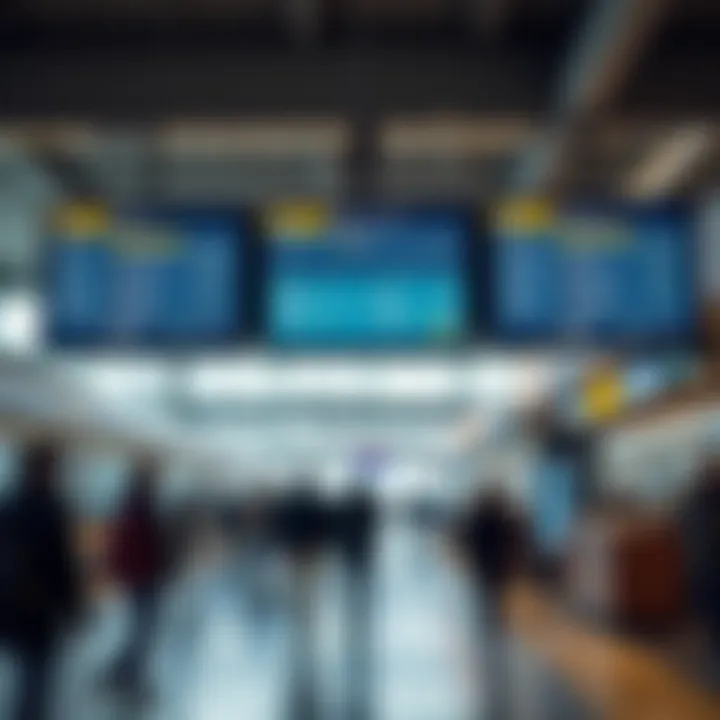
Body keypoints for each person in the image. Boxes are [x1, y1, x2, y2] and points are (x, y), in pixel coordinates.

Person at [0, 442, 82, 720]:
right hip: (40, 609)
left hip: (13, 603)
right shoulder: (51, 510)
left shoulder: (9, 505)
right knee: (37, 676)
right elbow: (61, 565)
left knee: (27, 673)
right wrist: (72, 606)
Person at [455, 486, 518, 717]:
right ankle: (495, 613)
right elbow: (510, 537)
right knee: (495, 590)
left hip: (485, 560)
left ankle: (489, 613)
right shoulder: (501, 517)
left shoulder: (479, 517)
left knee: (487, 589)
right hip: (496, 560)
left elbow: (470, 537)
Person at [105, 462, 166, 699]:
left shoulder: (132, 509)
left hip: (138, 578)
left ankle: (125, 673)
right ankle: (126, 676)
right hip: (143, 579)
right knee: (141, 631)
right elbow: (147, 547)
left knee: (138, 630)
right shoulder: (141, 511)